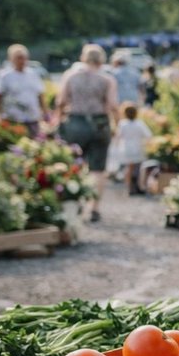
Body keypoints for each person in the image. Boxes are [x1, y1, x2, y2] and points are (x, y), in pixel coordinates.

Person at [57, 44, 119, 223]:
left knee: (72, 165)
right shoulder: (106, 79)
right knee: (98, 168)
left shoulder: (71, 76)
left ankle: (72, 205)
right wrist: (118, 123)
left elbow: (61, 101)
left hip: (75, 121)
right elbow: (113, 105)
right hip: (99, 123)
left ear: (83, 58)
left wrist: (58, 120)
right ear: (101, 60)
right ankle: (94, 208)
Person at [0, 44, 46, 135]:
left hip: (32, 117)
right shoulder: (5, 75)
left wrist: (45, 112)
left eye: (24, 58)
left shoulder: (33, 74)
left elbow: (40, 94)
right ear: (11, 59)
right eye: (19, 58)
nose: (22, 61)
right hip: (12, 118)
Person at [113, 103, 153, 195]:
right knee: (138, 169)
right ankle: (139, 186)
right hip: (138, 148)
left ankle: (129, 187)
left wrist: (116, 147)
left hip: (126, 149)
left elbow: (118, 137)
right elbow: (148, 135)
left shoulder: (123, 124)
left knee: (129, 168)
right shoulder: (139, 124)